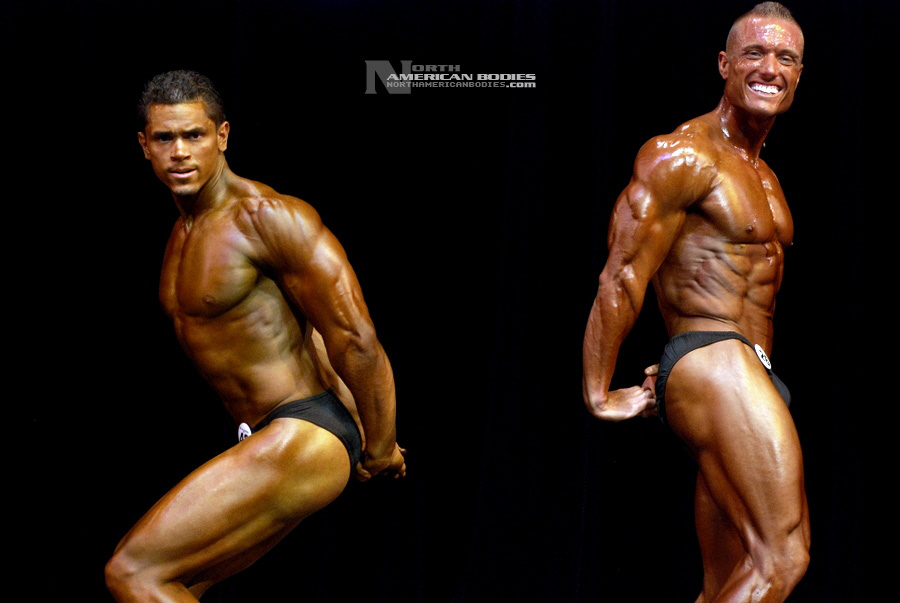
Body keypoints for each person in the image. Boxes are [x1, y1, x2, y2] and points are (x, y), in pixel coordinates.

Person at [105, 70, 406, 602]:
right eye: (165, 138)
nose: (179, 152)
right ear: (144, 146)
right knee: (178, 583)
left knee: (134, 573)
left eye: (194, 135)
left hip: (301, 431)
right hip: (273, 431)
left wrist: (380, 445)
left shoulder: (266, 217)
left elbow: (354, 337)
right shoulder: (183, 231)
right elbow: (306, 330)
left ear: (222, 136)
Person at [582, 3, 810, 601]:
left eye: (786, 58)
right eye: (755, 53)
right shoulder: (682, 155)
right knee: (782, 557)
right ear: (724, 64)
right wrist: (598, 390)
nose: (770, 68)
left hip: (751, 371)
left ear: (798, 74)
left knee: (729, 581)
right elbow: (622, 274)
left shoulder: (765, 176)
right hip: (713, 357)